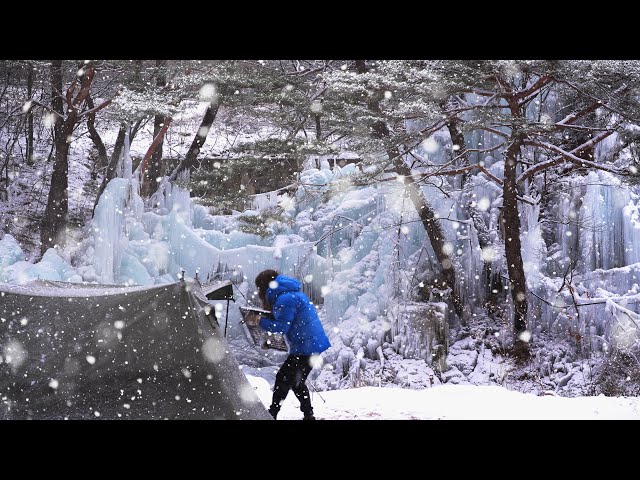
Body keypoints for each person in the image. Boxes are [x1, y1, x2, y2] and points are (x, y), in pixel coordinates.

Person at [253, 269, 331, 420]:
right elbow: (290, 323)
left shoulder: (285, 299)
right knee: (296, 381)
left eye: (259, 288)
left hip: (306, 346)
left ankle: (272, 414)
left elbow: (282, 327)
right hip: (310, 344)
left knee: (283, 378)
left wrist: (259, 321)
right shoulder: (290, 294)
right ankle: (308, 415)